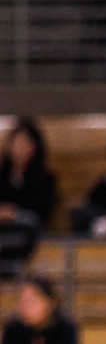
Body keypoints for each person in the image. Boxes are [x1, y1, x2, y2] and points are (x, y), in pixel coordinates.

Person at [0, 118, 59, 275]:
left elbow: (42, 211)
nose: (20, 148)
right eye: (17, 142)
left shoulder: (45, 179)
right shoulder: (2, 177)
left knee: (27, 222)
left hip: (27, 229)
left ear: (35, 147)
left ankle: (15, 267)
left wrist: (15, 213)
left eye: (26, 143)